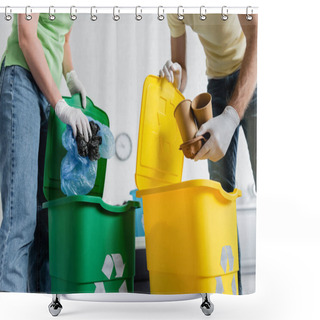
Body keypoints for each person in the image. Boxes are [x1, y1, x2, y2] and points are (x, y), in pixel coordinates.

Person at [160, 14, 257, 294]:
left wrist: (231, 116)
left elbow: (257, 36)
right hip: (216, 84)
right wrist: (176, 76)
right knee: (218, 198)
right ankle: (230, 295)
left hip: (251, 76)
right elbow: (181, 65)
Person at [0, 13, 91, 293]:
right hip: (22, 80)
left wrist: (72, 77)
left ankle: (43, 308)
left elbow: (63, 38)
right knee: (22, 217)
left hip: (47, 91)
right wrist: (61, 104)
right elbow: (27, 36)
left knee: (45, 218)